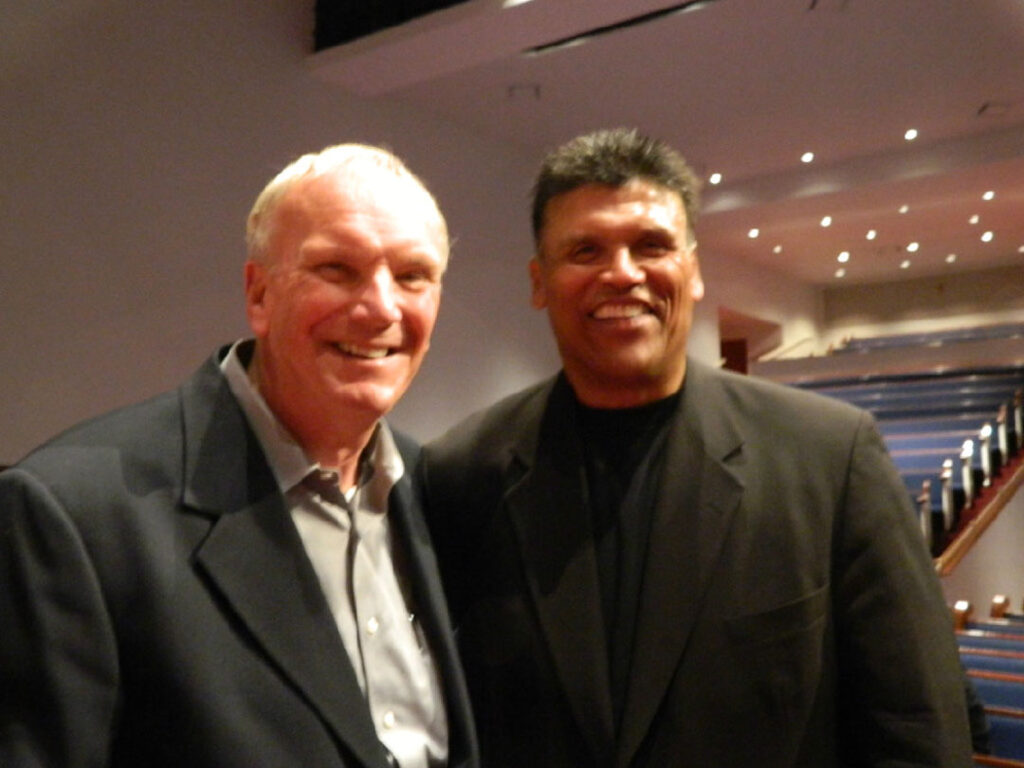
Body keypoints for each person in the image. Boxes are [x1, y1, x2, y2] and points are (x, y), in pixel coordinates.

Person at [419, 128, 973, 767]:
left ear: (694, 270)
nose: (622, 273)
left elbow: (916, 730)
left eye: (650, 245)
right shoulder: (461, 474)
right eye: (585, 251)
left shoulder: (832, 459)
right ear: (540, 281)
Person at [0, 143, 478, 768]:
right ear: (259, 295)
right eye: (337, 269)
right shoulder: (73, 513)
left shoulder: (440, 491)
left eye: (413, 275)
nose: (382, 308)